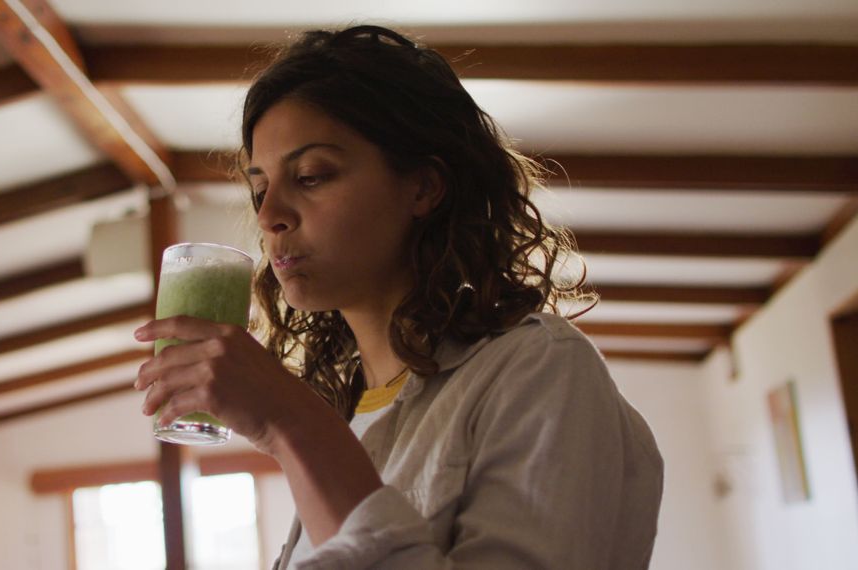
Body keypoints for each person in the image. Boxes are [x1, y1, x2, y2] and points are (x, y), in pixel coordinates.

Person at [134, 25, 663, 569]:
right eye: (260, 187)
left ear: (423, 187)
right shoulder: (352, 416)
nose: (269, 217)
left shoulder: (538, 367)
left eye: (312, 176)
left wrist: (288, 422)